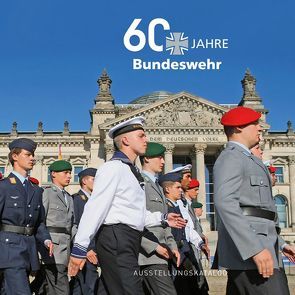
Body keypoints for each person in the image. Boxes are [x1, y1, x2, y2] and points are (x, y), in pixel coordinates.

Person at [68, 117, 186, 295]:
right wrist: (80, 248)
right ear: (125, 140)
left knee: (108, 290)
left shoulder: (132, 172)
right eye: (141, 136)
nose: (146, 139)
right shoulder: (112, 168)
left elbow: (134, 212)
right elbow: (95, 208)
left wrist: (162, 218)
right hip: (116, 238)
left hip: (129, 239)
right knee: (130, 290)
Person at [213, 106, 295, 294]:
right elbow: (226, 203)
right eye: (255, 123)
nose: (260, 128)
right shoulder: (231, 157)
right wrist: (254, 249)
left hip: (263, 246)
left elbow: (260, 214)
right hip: (252, 252)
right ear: (238, 128)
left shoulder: (247, 158)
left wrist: (280, 243)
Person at [0, 138, 52, 295]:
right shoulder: (4, 187)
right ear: (15, 156)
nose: (33, 158)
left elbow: (39, 222)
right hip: (8, 250)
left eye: (33, 155)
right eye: (28, 154)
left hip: (28, 250)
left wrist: (46, 239)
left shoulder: (36, 190)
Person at [138, 142, 180, 295]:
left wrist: (172, 246)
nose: (163, 161)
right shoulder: (139, 183)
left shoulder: (157, 185)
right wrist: (153, 247)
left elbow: (165, 223)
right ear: (147, 158)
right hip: (148, 255)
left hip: (162, 253)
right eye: (159, 157)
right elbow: (134, 221)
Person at [37, 160, 75, 295]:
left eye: (70, 173)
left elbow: (72, 225)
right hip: (52, 250)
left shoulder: (69, 198)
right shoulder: (46, 193)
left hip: (66, 250)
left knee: (47, 288)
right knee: (62, 289)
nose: (70, 176)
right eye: (66, 173)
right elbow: (40, 221)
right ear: (53, 174)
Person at [71, 167, 105, 295]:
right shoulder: (78, 199)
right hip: (85, 252)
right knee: (90, 286)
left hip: (94, 251)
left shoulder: (93, 200)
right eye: (94, 179)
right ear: (84, 181)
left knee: (80, 288)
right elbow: (78, 226)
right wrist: (87, 249)